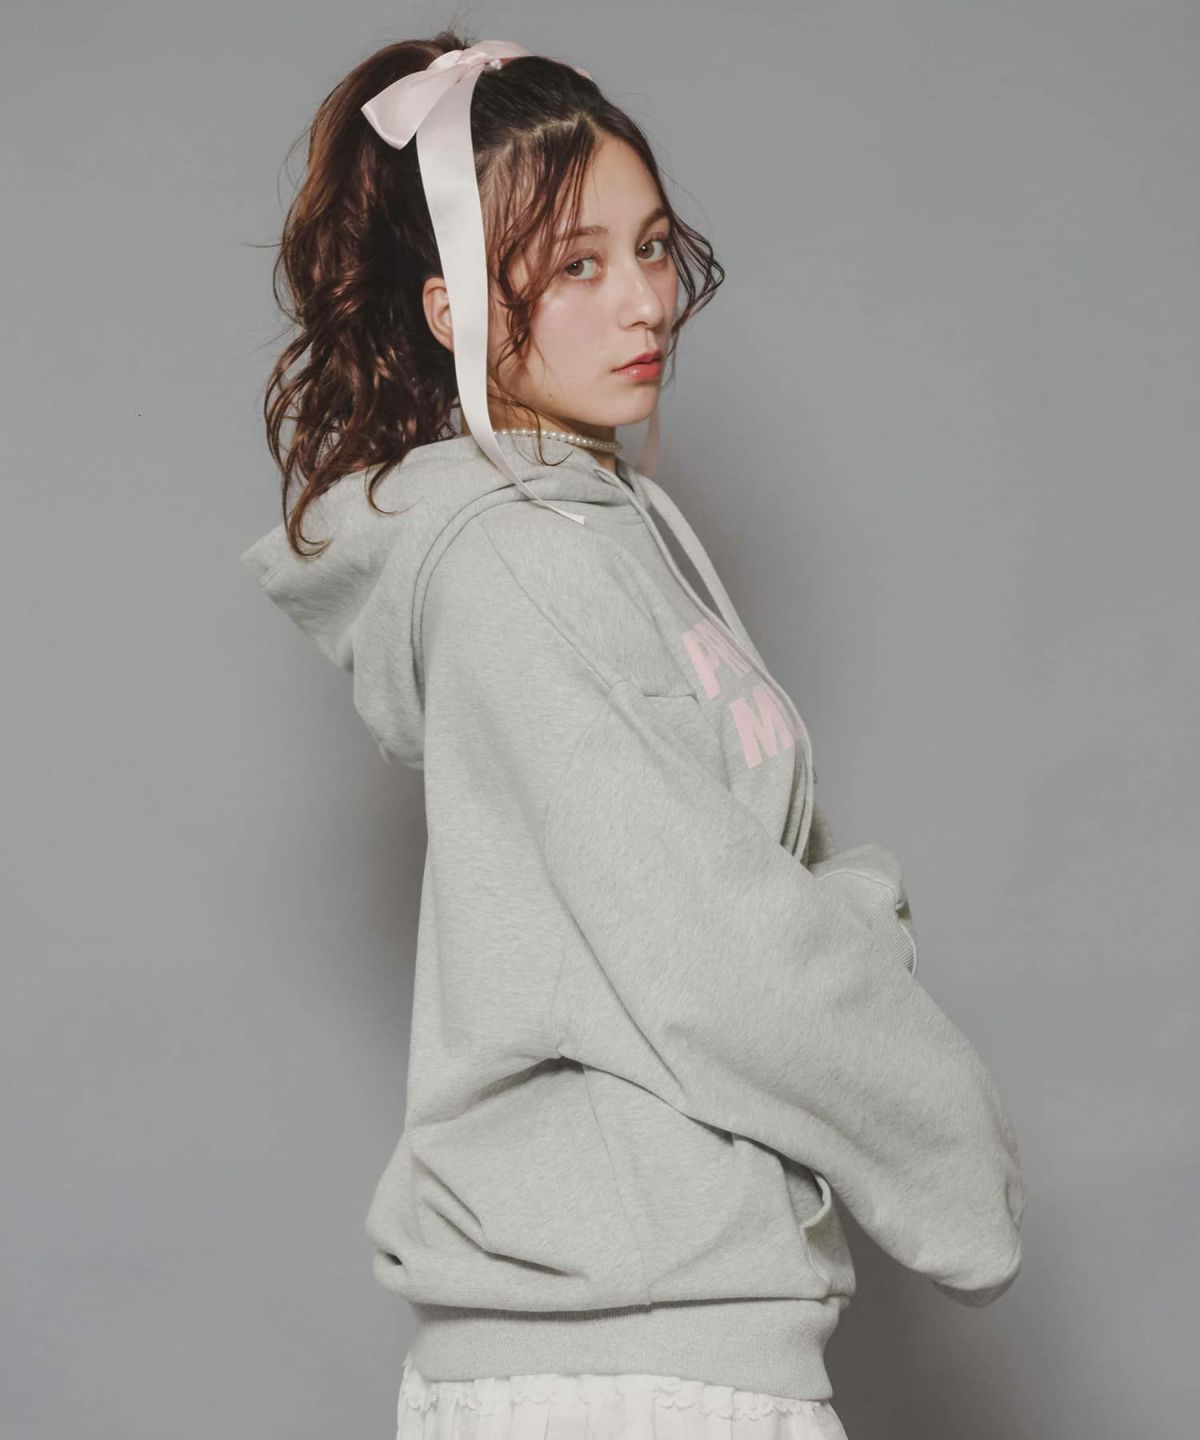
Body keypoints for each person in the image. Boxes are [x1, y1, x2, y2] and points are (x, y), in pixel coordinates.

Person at [238, 30, 1025, 1440]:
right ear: (451, 308)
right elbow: (712, 948)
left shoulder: (607, 529)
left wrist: (845, 915)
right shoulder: (514, 565)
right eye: (576, 266)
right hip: (621, 1365)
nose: (644, 299)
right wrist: (952, 1147)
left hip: (672, 1331)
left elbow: (736, 882)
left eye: (653, 248)